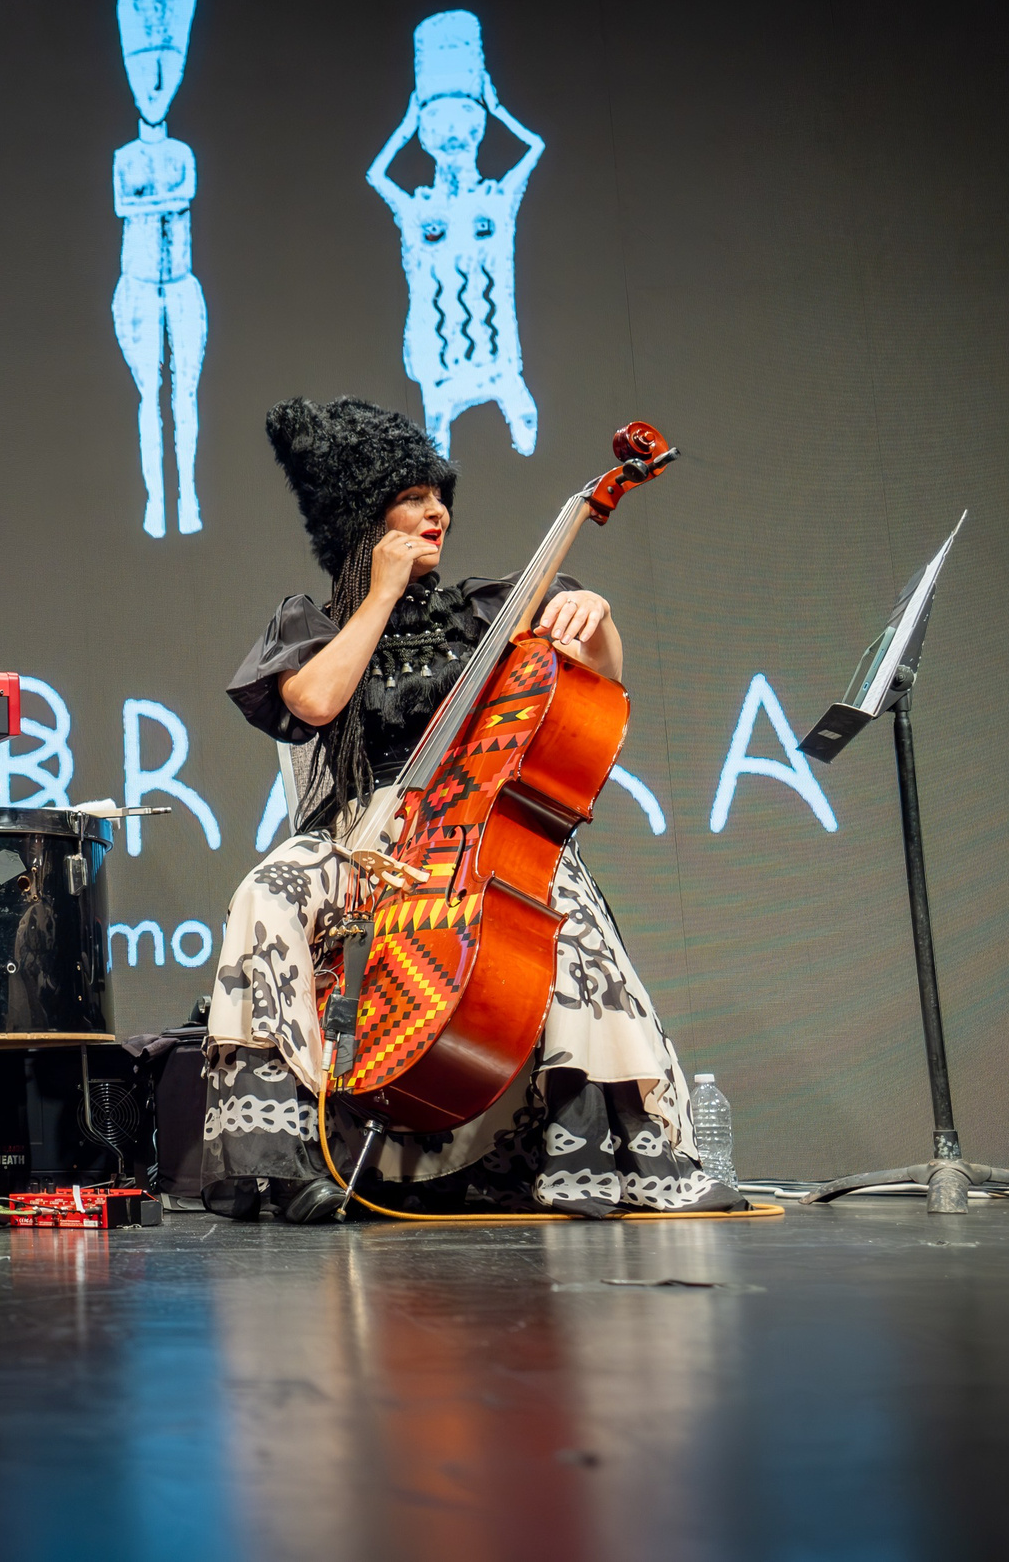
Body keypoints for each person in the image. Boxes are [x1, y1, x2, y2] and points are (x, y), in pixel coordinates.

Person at [205, 395, 741, 1220]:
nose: (437, 512)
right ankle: (291, 1160)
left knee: (558, 897)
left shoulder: (486, 609)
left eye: (439, 495)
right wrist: (378, 594)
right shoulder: (312, 622)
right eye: (414, 497)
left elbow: (598, 673)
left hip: (470, 834)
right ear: (364, 514)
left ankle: (627, 1151)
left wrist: (596, 622)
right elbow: (314, 701)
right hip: (362, 835)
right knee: (266, 890)